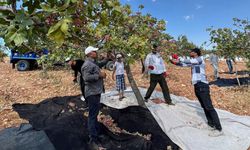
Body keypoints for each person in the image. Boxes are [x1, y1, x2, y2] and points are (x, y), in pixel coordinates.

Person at [170, 48, 223, 137]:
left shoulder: (200, 59)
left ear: (196, 53)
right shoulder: (194, 62)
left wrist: (179, 58)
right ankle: (211, 124)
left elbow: (188, 61)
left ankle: (219, 128)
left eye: (191, 52)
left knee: (209, 107)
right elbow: (183, 64)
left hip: (202, 85)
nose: (190, 53)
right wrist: (173, 61)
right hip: (197, 85)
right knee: (204, 106)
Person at [81, 46, 106, 149]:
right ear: (90, 53)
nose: (96, 52)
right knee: (92, 116)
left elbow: (98, 66)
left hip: (95, 91)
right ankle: (93, 139)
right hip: (92, 93)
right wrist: (100, 75)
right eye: (94, 51)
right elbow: (86, 78)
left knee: (94, 114)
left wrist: (106, 58)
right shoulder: (87, 64)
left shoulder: (92, 62)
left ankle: (96, 134)